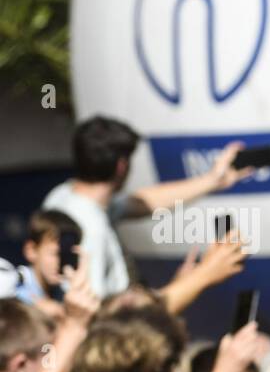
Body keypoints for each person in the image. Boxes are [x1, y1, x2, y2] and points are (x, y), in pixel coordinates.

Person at [42, 116, 251, 298]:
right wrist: (206, 273)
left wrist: (213, 180)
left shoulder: (64, 197)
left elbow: (141, 202)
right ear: (122, 166)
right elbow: (100, 319)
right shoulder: (93, 230)